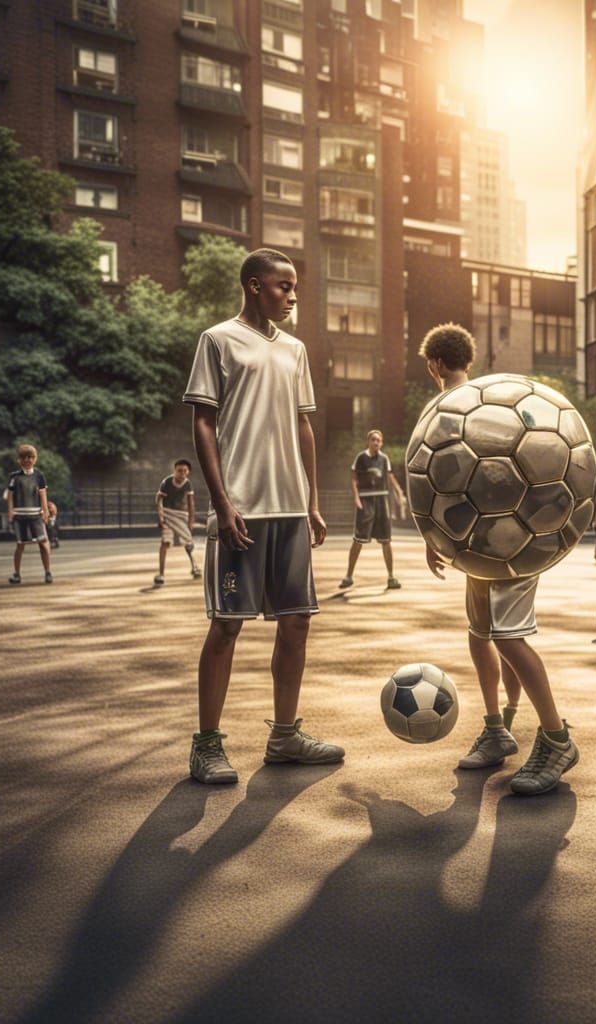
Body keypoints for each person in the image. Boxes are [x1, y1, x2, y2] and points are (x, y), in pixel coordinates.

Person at [182, 247, 342, 785]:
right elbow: (204, 424)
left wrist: (313, 501)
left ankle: (285, 737)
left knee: (296, 623)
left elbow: (303, 427)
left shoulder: (295, 350)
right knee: (227, 626)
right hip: (241, 510)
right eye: (282, 286)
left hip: (290, 508)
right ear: (254, 286)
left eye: (295, 287)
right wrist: (223, 502)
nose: (292, 295)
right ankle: (206, 746)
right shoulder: (218, 340)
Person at [417, 322, 578, 796]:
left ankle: (556, 737)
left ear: (435, 365)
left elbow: (433, 477)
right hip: (510, 534)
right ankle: (498, 727)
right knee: (484, 633)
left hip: (490, 539)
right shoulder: (496, 401)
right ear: (468, 360)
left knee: (501, 637)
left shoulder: (441, 409)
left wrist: (434, 534)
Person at [339, 430, 406, 591]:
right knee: (358, 539)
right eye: (373, 440)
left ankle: (391, 577)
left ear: (381, 443)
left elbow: (390, 477)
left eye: (378, 440)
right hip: (366, 500)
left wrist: (399, 492)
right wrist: (356, 498)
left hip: (382, 500)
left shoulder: (384, 459)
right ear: (368, 442)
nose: (376, 442)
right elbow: (354, 479)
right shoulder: (361, 458)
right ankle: (348, 576)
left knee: (386, 540)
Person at [6, 444, 53, 585]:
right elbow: (10, 496)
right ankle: (17, 574)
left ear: (35, 459)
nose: (28, 460)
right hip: (20, 516)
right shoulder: (14, 477)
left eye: (31, 457)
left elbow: (43, 494)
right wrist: (10, 512)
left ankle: (48, 571)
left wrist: (45, 511)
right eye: (24, 457)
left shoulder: (39, 476)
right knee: (20, 545)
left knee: (43, 543)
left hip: (36, 515)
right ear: (19, 460)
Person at [154, 458, 199, 585]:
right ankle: (161, 574)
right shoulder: (167, 482)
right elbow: (159, 498)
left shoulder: (188, 484)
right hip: (168, 514)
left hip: (181, 515)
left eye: (185, 471)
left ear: (188, 472)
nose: (182, 473)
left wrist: (191, 521)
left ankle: (194, 566)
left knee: (188, 542)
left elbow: (191, 504)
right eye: (179, 471)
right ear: (175, 471)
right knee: (165, 542)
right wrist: (161, 515)